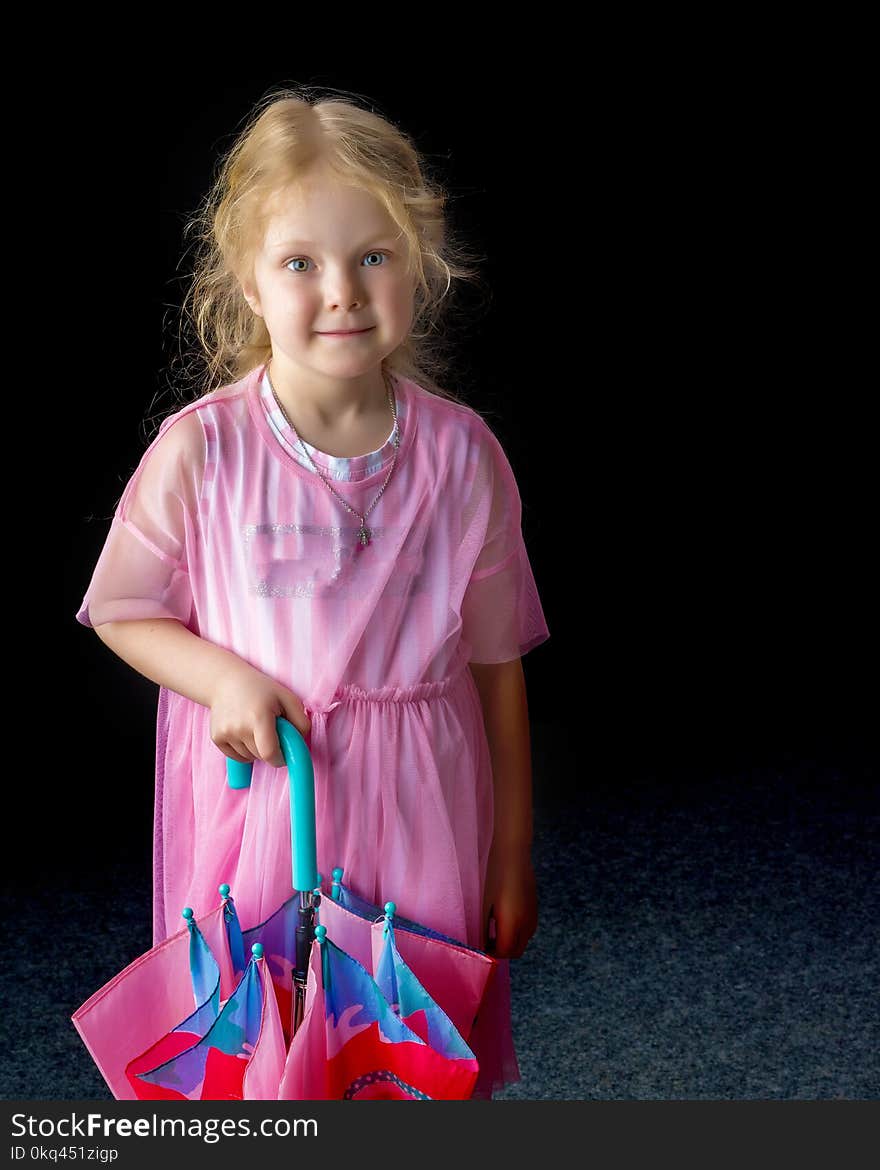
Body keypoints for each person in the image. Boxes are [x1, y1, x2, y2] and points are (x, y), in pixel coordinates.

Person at [75, 87, 550, 1098]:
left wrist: (510, 850)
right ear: (246, 281)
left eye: (373, 256)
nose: (341, 290)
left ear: (419, 266)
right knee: (268, 1034)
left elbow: (495, 663)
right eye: (301, 262)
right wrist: (223, 681)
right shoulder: (205, 449)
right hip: (274, 803)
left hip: (424, 800)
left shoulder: (463, 455)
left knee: (403, 1040)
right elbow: (124, 607)